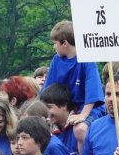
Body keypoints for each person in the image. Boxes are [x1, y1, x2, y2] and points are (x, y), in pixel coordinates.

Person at [41, 20, 105, 148]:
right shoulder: (56, 60)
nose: (54, 47)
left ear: (65, 43)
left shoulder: (87, 58)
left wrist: (83, 115)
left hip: (88, 107)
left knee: (80, 129)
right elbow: (46, 92)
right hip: (66, 108)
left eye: (55, 43)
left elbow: (93, 93)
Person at [41, 83, 79, 155]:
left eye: (49, 107)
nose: (46, 112)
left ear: (63, 105)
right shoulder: (49, 131)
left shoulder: (79, 128)